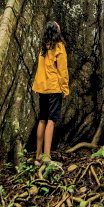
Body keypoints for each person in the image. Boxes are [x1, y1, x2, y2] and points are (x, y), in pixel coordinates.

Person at [32, 21, 69, 165]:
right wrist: (65, 89)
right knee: (51, 120)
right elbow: (62, 70)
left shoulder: (43, 47)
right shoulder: (59, 47)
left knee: (42, 119)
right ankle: (47, 156)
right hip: (54, 87)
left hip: (42, 87)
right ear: (56, 31)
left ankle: (38, 156)